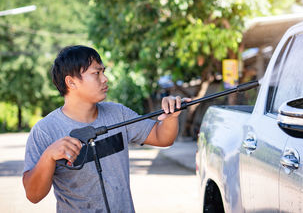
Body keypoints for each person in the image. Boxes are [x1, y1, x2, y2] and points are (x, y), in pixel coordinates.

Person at [22, 45, 188, 212]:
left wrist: (171, 117)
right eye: (96, 73)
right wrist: (49, 156)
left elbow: (162, 137)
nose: (105, 79)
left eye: (103, 72)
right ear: (71, 82)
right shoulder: (45, 130)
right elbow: (33, 195)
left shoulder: (118, 113)